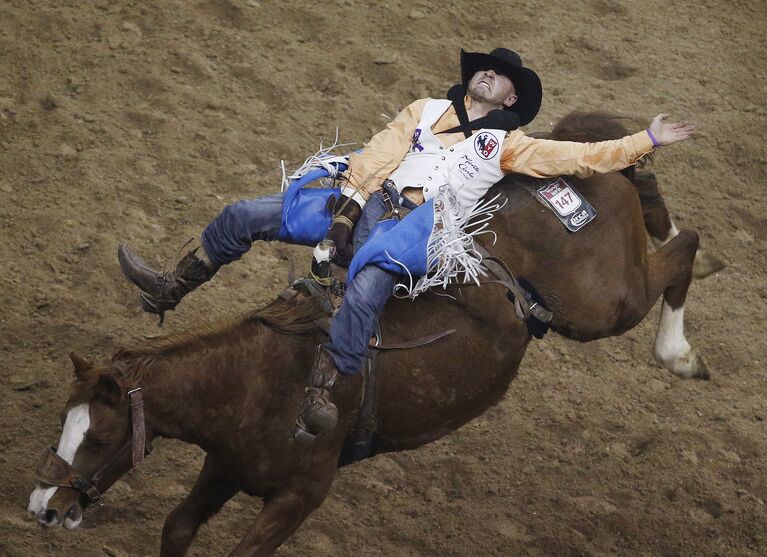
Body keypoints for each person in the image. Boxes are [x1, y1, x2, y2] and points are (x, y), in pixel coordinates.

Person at [118, 48, 694, 442]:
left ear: (512, 96)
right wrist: (345, 209)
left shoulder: (507, 143)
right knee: (248, 213)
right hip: (365, 196)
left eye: (500, 74)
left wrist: (645, 139)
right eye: (486, 69)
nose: (489, 74)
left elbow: (579, 157)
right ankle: (172, 285)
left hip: (421, 225)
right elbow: (378, 153)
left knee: (369, 282)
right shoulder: (425, 111)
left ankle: (326, 387)